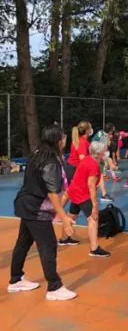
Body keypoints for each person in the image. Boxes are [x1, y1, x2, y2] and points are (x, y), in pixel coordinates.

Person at [8, 125, 77, 301]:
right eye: (64, 137)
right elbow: (52, 193)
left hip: (26, 203)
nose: (65, 140)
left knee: (23, 242)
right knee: (48, 245)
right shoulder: (51, 162)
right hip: (35, 208)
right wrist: (63, 217)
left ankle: (16, 280)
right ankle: (54, 287)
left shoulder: (38, 152)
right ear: (59, 141)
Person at [60, 141, 111, 257]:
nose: (106, 152)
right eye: (104, 151)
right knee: (93, 219)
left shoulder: (88, 159)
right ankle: (94, 248)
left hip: (75, 190)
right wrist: (95, 204)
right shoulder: (93, 165)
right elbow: (91, 186)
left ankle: (64, 238)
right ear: (98, 154)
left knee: (72, 215)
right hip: (82, 193)